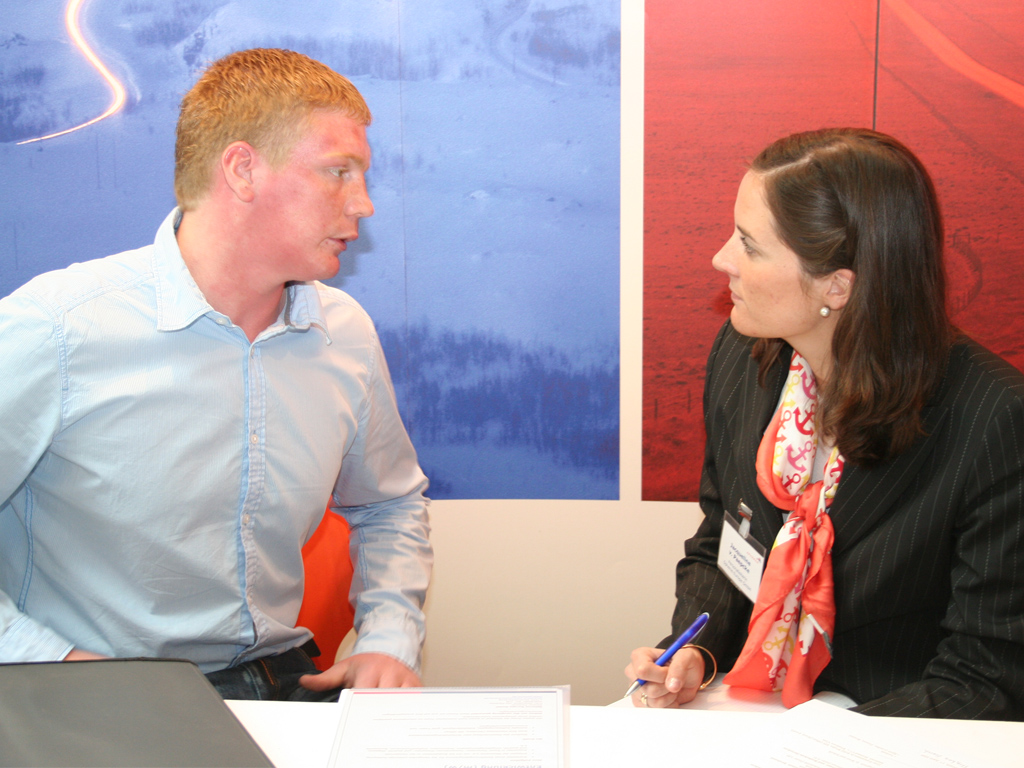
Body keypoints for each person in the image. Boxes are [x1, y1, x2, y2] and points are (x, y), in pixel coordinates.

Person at [0, 48, 433, 700]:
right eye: (338, 172)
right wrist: (57, 665)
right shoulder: (57, 327)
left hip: (283, 684)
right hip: (94, 703)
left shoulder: (344, 333)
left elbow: (389, 502)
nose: (364, 204)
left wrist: (388, 637)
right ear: (242, 169)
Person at [626, 128, 1024, 718]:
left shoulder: (994, 420)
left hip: (892, 730)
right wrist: (694, 652)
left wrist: (818, 744)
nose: (721, 259)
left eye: (749, 245)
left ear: (837, 286)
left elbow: (984, 679)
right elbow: (724, 539)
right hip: (752, 705)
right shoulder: (742, 358)